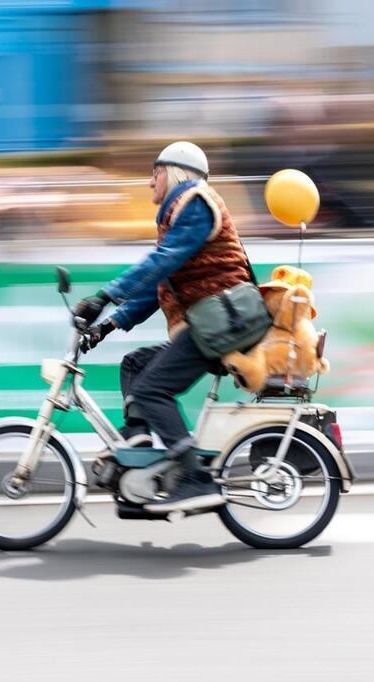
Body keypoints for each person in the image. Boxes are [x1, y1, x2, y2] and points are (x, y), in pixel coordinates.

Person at [73, 141, 254, 513]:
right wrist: (107, 325)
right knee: (135, 365)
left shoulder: (196, 202)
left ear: (174, 171)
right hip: (208, 324)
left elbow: (162, 261)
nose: (148, 181)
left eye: (154, 172)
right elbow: (160, 285)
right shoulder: (180, 212)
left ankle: (194, 480)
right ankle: (139, 442)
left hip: (221, 321)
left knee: (153, 389)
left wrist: (105, 295)